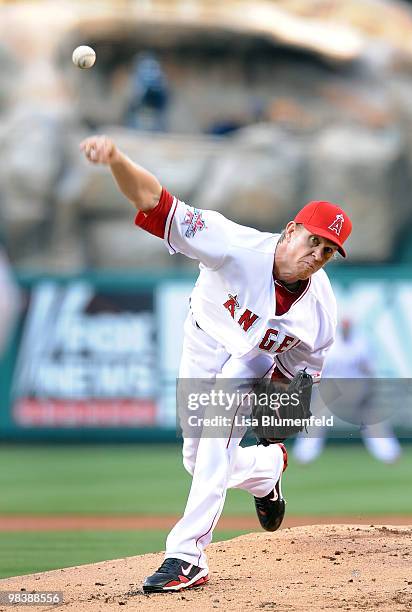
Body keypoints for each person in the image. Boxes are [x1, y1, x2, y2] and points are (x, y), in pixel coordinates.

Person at [80, 134, 352, 593]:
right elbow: (156, 202)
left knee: (215, 436)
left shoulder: (321, 311)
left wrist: (280, 410)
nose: (316, 256)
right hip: (203, 338)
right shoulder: (231, 244)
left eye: (327, 251)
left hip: (249, 363)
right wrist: (116, 160)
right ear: (290, 230)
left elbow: (300, 376)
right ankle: (266, 471)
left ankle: (187, 556)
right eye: (313, 241)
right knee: (199, 459)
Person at [293, 318, 402, 464]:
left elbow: (369, 369)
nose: (346, 328)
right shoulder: (330, 344)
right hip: (332, 386)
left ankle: (389, 453)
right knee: (316, 417)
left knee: (372, 418)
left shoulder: (362, 343)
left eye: (348, 326)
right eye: (344, 326)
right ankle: (304, 454)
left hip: (356, 386)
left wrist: (369, 388)